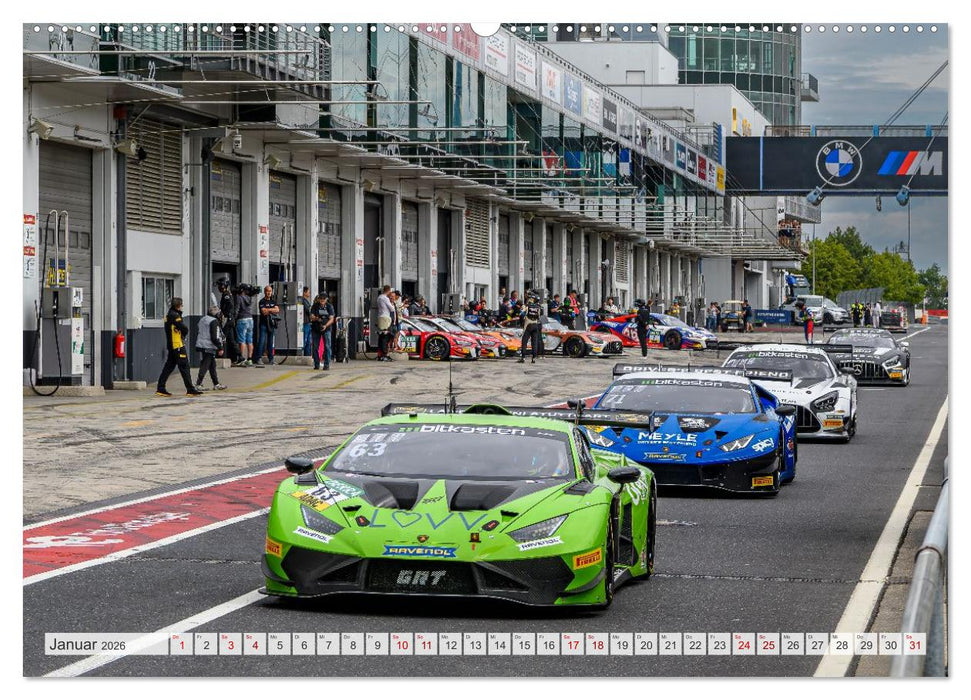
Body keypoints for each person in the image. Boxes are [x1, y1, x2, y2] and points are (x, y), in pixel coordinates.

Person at [155, 297, 202, 397]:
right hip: (177, 345)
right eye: (181, 305)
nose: (182, 307)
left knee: (169, 367)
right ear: (178, 306)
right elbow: (184, 328)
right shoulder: (175, 315)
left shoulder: (169, 314)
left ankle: (161, 388)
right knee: (184, 366)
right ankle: (190, 389)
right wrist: (183, 333)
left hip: (172, 345)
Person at [195, 305, 227, 391]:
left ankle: (216, 383)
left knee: (212, 365)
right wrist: (220, 347)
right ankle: (198, 384)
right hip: (209, 346)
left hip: (201, 344)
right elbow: (214, 337)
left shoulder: (203, 319)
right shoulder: (214, 321)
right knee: (205, 364)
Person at [309, 292, 335, 370]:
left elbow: (331, 319)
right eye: (321, 298)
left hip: (326, 329)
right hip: (316, 329)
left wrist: (325, 325)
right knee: (315, 347)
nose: (322, 300)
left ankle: (326, 364)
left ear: (326, 299)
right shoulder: (315, 306)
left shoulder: (329, 307)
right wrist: (317, 318)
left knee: (327, 347)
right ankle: (316, 364)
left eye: (324, 299)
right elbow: (311, 316)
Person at [256, 286, 280, 366]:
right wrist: (272, 310)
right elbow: (263, 312)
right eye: (267, 291)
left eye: (270, 291)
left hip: (271, 324)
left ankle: (271, 359)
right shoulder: (262, 301)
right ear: (264, 292)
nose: (269, 292)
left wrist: (268, 310)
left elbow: (277, 310)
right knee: (262, 341)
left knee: (270, 342)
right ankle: (259, 358)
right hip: (263, 324)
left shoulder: (273, 301)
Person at [518, 292, 544, 364]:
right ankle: (533, 358)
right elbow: (540, 315)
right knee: (534, 342)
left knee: (524, 341)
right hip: (535, 324)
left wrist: (522, 323)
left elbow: (521, 314)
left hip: (528, 324)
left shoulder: (526, 306)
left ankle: (523, 357)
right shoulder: (538, 307)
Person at [217, 279, 237, 363]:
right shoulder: (226, 294)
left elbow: (230, 306)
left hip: (228, 319)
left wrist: (225, 315)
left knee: (222, 336)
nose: (218, 287)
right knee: (231, 340)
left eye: (219, 285)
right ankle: (239, 356)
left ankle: (221, 355)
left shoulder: (226, 295)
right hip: (229, 319)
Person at [234, 284, 255, 366]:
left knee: (241, 340)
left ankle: (241, 359)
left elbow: (237, 309)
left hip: (242, 319)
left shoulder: (239, 297)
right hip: (250, 319)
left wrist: (234, 319)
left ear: (242, 290)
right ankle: (250, 359)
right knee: (250, 340)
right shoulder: (249, 298)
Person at [376, 285, 395, 362]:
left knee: (381, 336)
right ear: (388, 290)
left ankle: (380, 354)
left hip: (380, 317)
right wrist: (392, 304)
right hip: (385, 317)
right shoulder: (385, 298)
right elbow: (392, 309)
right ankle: (384, 355)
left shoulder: (379, 297)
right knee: (385, 337)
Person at [299, 286, 312, 357]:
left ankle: (307, 356)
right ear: (304, 292)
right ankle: (302, 355)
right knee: (304, 340)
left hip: (308, 323)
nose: (309, 293)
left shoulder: (306, 301)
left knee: (308, 342)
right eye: (308, 292)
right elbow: (309, 310)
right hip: (305, 323)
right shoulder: (303, 301)